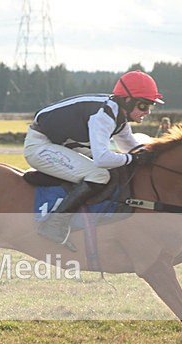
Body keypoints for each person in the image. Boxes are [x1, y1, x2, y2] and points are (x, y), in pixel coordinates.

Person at [23, 70, 164, 244]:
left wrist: (157, 157)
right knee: (99, 174)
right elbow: (102, 159)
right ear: (128, 101)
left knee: (114, 169)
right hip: (40, 146)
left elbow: (131, 147)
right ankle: (54, 224)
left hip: (62, 145)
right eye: (144, 105)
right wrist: (132, 159)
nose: (148, 111)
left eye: (151, 106)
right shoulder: (104, 115)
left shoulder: (119, 115)